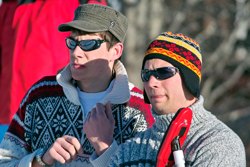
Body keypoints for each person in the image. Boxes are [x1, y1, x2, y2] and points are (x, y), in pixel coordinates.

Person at [0, 4, 155, 167]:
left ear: (115, 51)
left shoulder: (140, 111)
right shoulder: (40, 94)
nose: (76, 52)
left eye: (88, 44)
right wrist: (41, 159)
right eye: (72, 43)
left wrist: (105, 149)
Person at [88, 31, 246, 166]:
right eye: (146, 74)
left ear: (188, 78)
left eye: (163, 72)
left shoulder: (218, 143)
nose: (151, 82)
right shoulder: (131, 148)